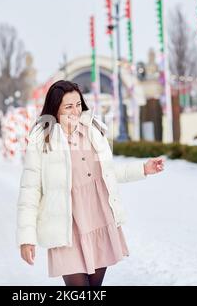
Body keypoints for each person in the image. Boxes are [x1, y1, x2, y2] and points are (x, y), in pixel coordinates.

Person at [16, 80, 165, 286]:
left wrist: (143, 169)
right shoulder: (42, 140)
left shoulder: (93, 130)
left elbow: (107, 173)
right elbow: (30, 191)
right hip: (67, 228)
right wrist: (26, 238)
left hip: (99, 219)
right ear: (55, 109)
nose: (76, 111)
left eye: (78, 104)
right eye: (68, 106)